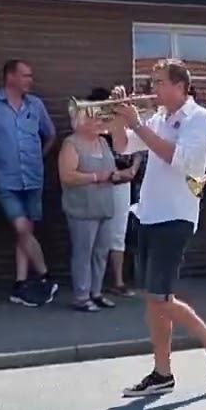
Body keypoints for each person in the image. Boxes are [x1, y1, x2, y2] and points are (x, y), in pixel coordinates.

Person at [111, 60, 206, 396]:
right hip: (149, 212)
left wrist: (138, 123)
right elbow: (124, 147)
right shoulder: (159, 117)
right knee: (154, 301)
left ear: (181, 86)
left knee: (160, 297)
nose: (154, 89)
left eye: (160, 82)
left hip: (176, 214)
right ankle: (162, 372)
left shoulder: (199, 119)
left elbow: (179, 159)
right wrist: (119, 120)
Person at [0, 59, 59, 307]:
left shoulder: (35, 105)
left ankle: (19, 284)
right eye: (25, 75)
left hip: (33, 177)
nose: (31, 80)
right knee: (21, 228)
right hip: (4, 179)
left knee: (25, 232)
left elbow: (50, 134)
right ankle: (45, 276)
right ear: (10, 77)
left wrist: (39, 156)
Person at [59, 100, 125, 312]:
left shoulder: (104, 143)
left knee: (101, 252)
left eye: (100, 117)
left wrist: (118, 175)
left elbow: (111, 169)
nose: (99, 121)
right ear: (80, 122)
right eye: (92, 117)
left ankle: (96, 292)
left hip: (104, 206)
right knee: (83, 253)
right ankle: (81, 295)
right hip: (82, 209)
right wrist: (96, 177)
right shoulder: (71, 144)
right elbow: (67, 176)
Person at [87, 87, 141, 296]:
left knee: (119, 232)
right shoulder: (94, 129)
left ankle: (117, 281)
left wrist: (133, 170)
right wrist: (113, 175)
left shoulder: (122, 122)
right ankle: (94, 283)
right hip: (103, 182)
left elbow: (138, 147)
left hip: (123, 182)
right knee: (97, 232)